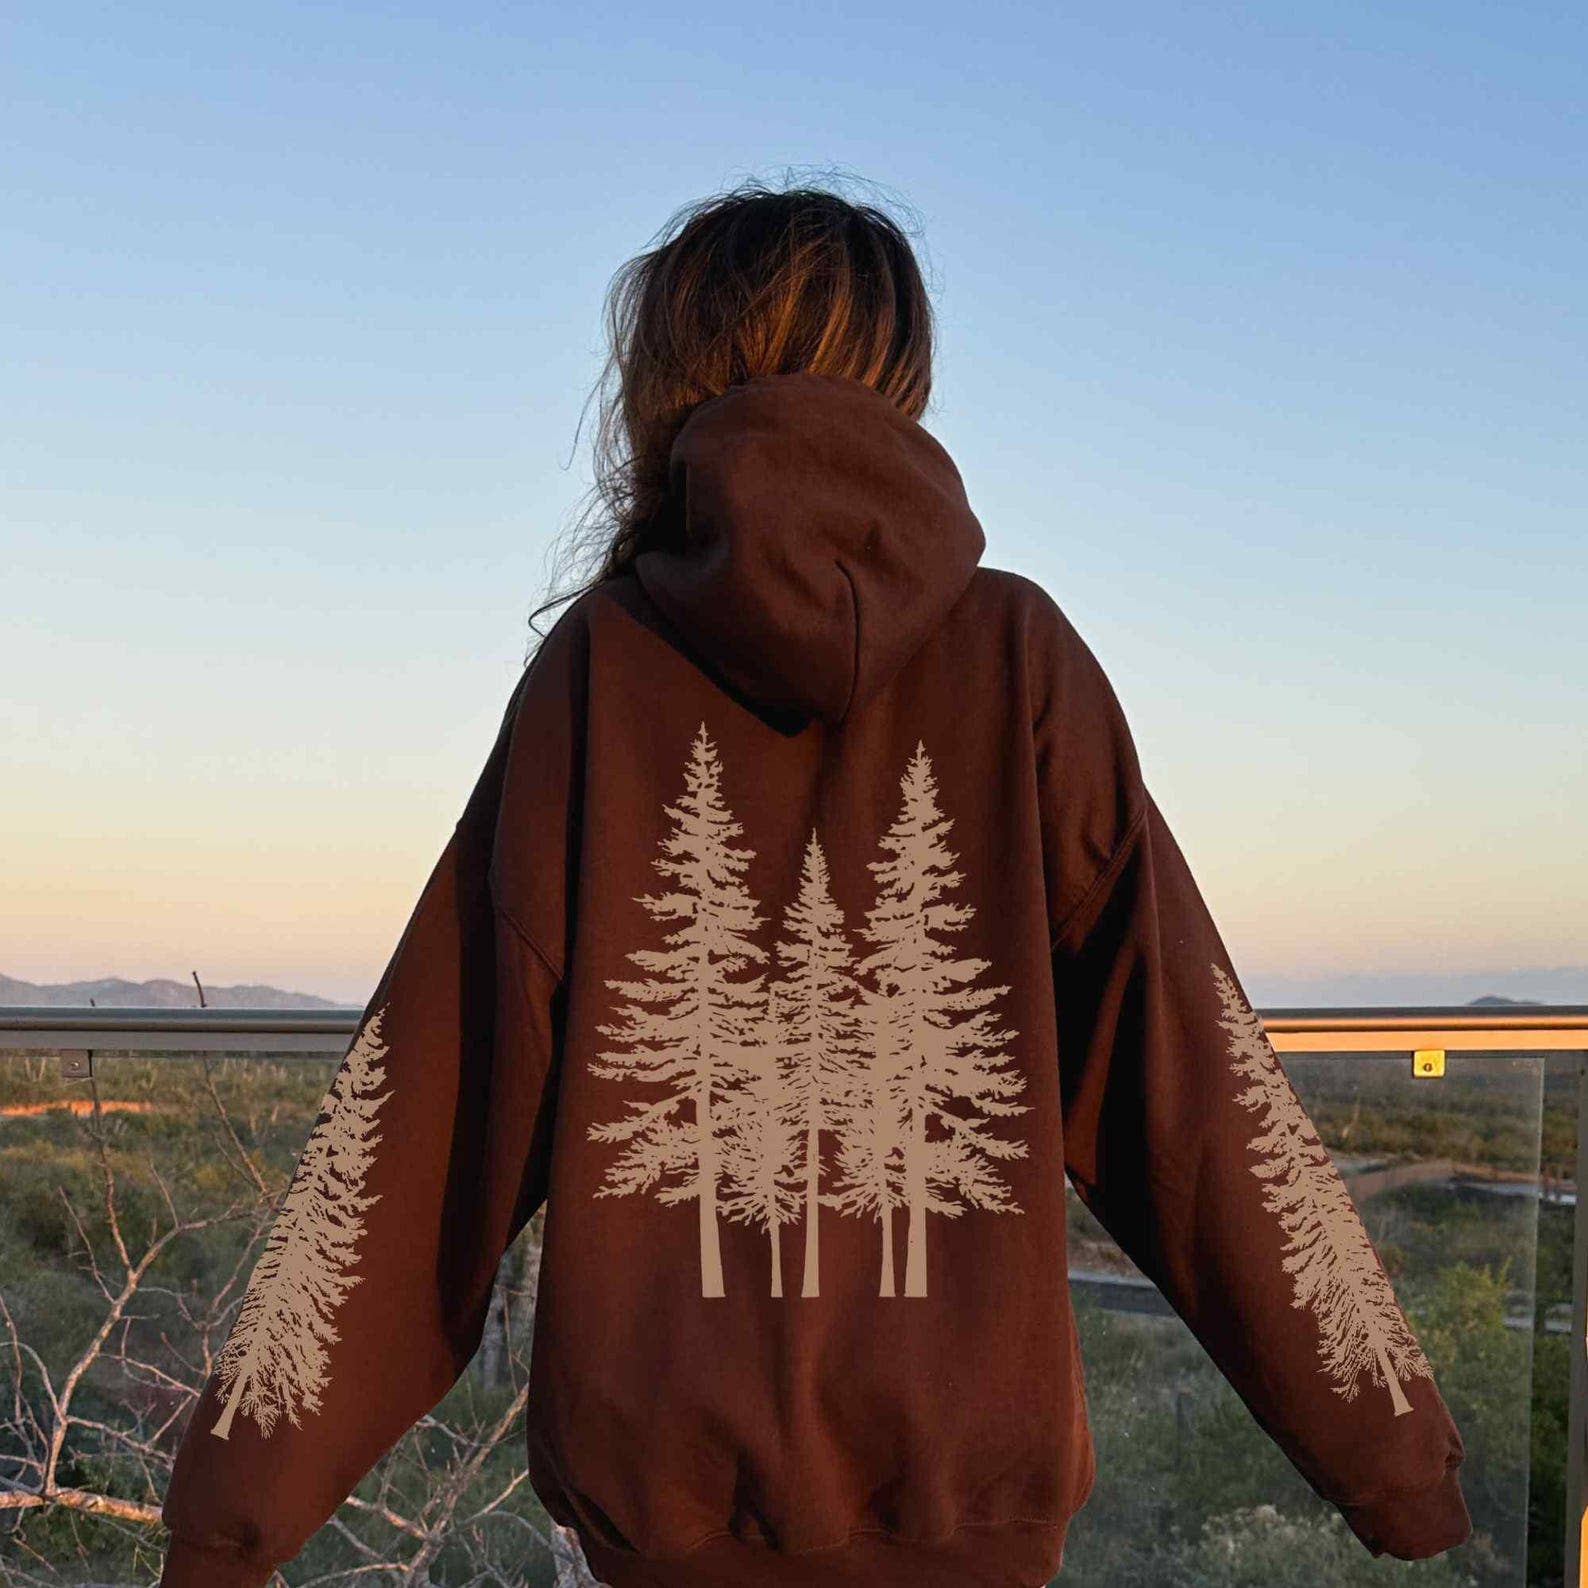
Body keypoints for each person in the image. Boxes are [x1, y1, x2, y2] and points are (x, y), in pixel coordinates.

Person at [159, 181, 1472, 1588]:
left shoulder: (603, 670)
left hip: (663, 1543)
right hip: (975, 1537)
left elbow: (426, 1126)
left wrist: (232, 1521)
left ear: (664, 376)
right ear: (902, 375)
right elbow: (1195, 1093)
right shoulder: (1019, 659)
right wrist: (1398, 1467)